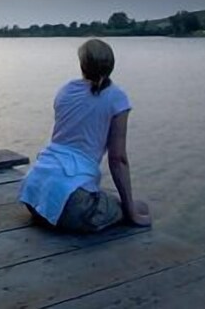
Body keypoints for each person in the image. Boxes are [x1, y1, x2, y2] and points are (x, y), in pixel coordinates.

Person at [19, 38, 151, 232]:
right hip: (72, 204)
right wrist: (132, 213)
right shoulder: (116, 98)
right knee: (140, 206)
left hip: (35, 192)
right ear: (111, 65)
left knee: (107, 198)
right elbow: (118, 159)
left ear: (82, 65)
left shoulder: (65, 91)